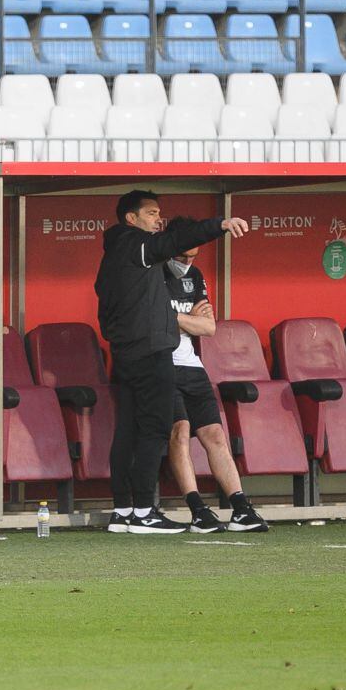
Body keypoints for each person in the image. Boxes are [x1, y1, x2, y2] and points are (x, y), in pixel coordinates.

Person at [95, 190, 246, 535]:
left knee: (128, 430)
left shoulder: (113, 253)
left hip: (126, 352)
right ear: (131, 219)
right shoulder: (139, 246)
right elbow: (177, 238)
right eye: (150, 213)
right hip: (150, 352)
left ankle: (123, 511)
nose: (157, 220)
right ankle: (146, 511)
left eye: (159, 213)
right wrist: (220, 224)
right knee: (155, 429)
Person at [163, 246, 268, 533]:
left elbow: (208, 327)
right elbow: (151, 322)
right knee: (180, 429)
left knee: (215, 434)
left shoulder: (195, 276)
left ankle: (241, 508)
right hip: (160, 366)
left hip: (192, 367)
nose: (187, 263)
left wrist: (174, 320)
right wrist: (188, 322)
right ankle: (197, 511)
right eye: (182, 256)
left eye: (192, 257)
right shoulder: (151, 274)